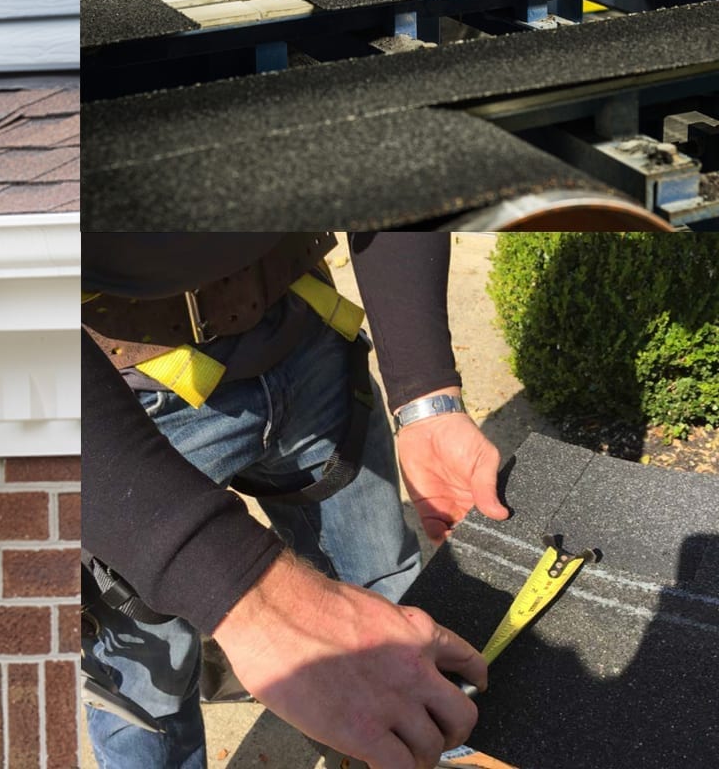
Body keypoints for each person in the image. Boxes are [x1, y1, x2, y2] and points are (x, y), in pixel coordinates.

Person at [82, 233, 510, 769]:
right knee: (146, 696)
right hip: (116, 407)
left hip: (306, 331)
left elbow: (391, 164)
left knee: (392, 600)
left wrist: (428, 397)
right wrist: (242, 591)